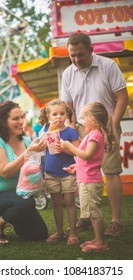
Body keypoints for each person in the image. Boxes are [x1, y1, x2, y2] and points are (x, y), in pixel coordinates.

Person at [61, 33, 129, 236]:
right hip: (81, 127)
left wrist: (112, 127)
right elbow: (68, 107)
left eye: (80, 55)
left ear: (91, 50)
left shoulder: (109, 65)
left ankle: (116, 221)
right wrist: (73, 131)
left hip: (106, 126)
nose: (76, 60)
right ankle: (86, 216)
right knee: (83, 175)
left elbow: (122, 98)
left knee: (111, 171)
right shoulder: (67, 73)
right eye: (72, 55)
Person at [0, 100, 48, 244]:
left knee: (39, 234)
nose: (21, 121)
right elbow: (5, 172)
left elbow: (32, 168)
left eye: (22, 117)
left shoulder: (27, 141)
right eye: (16, 118)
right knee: (27, 203)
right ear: (3, 121)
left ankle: (12, 217)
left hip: (19, 195)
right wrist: (28, 153)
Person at [60, 102, 115, 252]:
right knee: (91, 211)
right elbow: (87, 159)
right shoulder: (91, 135)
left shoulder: (94, 136)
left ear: (93, 119)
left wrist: (70, 147)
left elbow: (88, 155)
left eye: (84, 118)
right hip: (86, 179)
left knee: (94, 212)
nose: (82, 122)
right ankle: (97, 238)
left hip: (90, 181)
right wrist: (77, 166)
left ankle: (101, 242)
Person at [39, 99, 80, 245]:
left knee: (69, 201)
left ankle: (73, 233)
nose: (58, 117)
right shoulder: (46, 130)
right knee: (56, 203)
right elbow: (42, 145)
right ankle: (59, 231)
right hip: (51, 172)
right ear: (48, 116)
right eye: (54, 114)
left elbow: (78, 152)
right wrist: (50, 131)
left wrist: (65, 148)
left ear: (67, 115)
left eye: (62, 114)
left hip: (67, 172)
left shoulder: (71, 132)